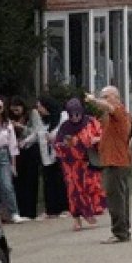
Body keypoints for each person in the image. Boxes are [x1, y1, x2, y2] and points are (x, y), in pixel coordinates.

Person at [90, 86, 132, 243]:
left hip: (116, 161)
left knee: (116, 199)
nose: (104, 100)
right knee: (119, 197)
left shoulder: (119, 112)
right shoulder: (110, 116)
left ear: (116, 97)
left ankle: (120, 232)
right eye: (102, 96)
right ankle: (123, 230)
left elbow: (109, 107)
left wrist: (94, 100)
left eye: (106, 96)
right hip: (113, 159)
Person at [53, 98, 103, 230]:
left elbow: (102, 136)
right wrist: (66, 145)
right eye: (71, 115)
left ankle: (89, 212)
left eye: (77, 114)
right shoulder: (65, 127)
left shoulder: (91, 122)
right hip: (71, 165)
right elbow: (57, 144)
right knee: (74, 192)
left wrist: (95, 140)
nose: (75, 118)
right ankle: (77, 219)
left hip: (88, 162)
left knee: (90, 188)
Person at [35, 96, 69, 218]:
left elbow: (65, 131)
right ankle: (51, 209)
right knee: (48, 182)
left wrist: (54, 138)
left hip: (59, 154)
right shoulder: (43, 121)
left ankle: (65, 207)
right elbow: (37, 134)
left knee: (60, 181)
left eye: (40, 106)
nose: (39, 109)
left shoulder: (62, 116)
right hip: (46, 156)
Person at [9, 98, 40, 220]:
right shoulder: (10, 117)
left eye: (17, 109)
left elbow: (36, 132)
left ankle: (30, 211)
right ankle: (20, 210)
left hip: (30, 149)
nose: (16, 112)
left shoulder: (32, 114)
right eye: (13, 110)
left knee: (30, 181)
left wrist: (21, 127)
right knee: (19, 182)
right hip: (17, 152)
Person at [0, 100, 26, 223]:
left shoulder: (7, 124)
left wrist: (13, 165)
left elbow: (13, 145)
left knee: (7, 185)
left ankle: (14, 212)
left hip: (3, 154)